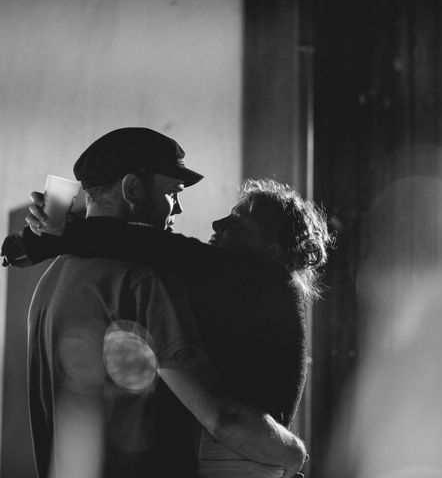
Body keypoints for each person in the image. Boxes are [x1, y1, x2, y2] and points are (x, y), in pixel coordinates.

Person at [5, 128, 307, 478]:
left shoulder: (50, 280)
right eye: (173, 192)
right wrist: (291, 453)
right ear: (133, 189)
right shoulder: (142, 283)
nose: (181, 208)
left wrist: (51, 237)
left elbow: (156, 247)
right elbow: (222, 416)